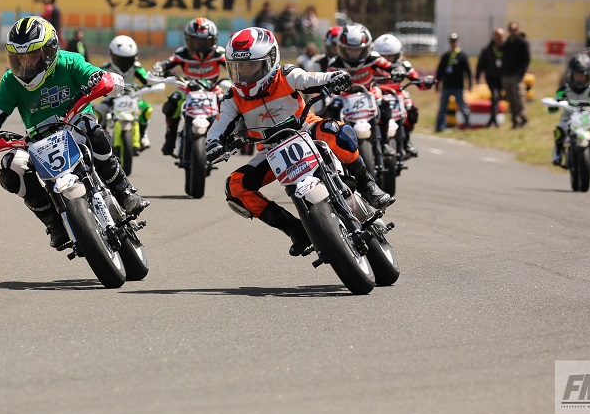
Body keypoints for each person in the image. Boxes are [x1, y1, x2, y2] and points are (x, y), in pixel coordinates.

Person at [203, 27, 393, 257]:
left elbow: (312, 79)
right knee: (235, 187)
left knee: (337, 131)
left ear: (271, 60)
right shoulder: (233, 97)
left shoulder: (287, 75)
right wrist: (213, 144)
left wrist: (334, 78)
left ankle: (366, 184)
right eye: (238, 67)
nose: (245, 72)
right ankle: (295, 230)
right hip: (271, 151)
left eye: (252, 65)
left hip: (306, 129)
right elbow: (219, 125)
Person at [0, 16, 149, 249]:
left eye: (33, 56)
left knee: (92, 130)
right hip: (39, 141)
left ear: (50, 51)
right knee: (12, 167)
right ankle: (54, 224)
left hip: (75, 123)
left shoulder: (69, 62)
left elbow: (100, 76)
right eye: (19, 58)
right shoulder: (11, 81)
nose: (25, 65)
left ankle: (124, 192)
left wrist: (101, 79)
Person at [151, 17, 227, 156]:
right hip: (187, 88)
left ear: (214, 41)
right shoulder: (182, 53)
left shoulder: (220, 53)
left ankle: (226, 139)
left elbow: (233, 65)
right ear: (188, 40)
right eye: (197, 41)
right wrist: (159, 68)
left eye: (206, 41)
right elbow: (167, 63)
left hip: (213, 89)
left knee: (228, 103)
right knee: (172, 103)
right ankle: (170, 138)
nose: (201, 45)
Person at [328, 23, 397, 169]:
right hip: (344, 96)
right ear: (342, 48)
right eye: (350, 50)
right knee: (329, 113)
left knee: (385, 106)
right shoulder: (334, 63)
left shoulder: (374, 58)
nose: (354, 54)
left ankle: (384, 142)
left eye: (358, 50)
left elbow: (391, 66)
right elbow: (327, 81)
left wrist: (398, 70)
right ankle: (334, 152)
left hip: (369, 93)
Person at [371, 33, 434, 156]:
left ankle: (407, 140)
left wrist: (424, 81)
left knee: (412, 109)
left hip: (397, 94)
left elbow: (415, 77)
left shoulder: (404, 65)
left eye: (391, 56)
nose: (387, 60)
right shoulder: (371, 65)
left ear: (398, 55)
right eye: (384, 57)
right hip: (377, 94)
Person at [549, 54, 590, 167]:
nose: (580, 78)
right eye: (577, 75)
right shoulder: (564, 89)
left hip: (588, 116)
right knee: (560, 129)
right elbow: (555, 102)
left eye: (583, 75)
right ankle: (557, 153)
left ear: (589, 76)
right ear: (571, 75)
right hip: (569, 117)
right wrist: (553, 105)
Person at [95, 35, 154, 149]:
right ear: (112, 56)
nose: (124, 63)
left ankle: (143, 135)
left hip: (132, 96)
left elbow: (146, 79)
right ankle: (98, 140)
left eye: (128, 59)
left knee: (147, 109)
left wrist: (151, 83)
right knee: (98, 112)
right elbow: (95, 79)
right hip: (112, 98)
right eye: (120, 59)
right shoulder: (106, 68)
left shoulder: (136, 67)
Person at [434, 33, 473, 132]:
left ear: (458, 42)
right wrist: (437, 84)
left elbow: (468, 71)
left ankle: (468, 125)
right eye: (451, 41)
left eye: (455, 41)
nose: (453, 43)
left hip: (458, 86)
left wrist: (470, 83)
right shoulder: (446, 56)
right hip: (447, 86)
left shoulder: (462, 56)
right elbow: (440, 71)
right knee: (442, 107)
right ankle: (439, 127)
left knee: (463, 106)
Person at [500, 21, 531, 128]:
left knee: (519, 98)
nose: (512, 32)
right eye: (511, 29)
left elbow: (526, 59)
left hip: (516, 76)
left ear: (517, 30)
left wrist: (520, 73)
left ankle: (523, 119)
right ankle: (515, 120)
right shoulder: (507, 43)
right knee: (511, 99)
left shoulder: (522, 43)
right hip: (507, 75)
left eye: (514, 29)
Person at [475, 27, 506, 128]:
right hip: (491, 78)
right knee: (495, 96)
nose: (499, 38)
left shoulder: (507, 49)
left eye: (501, 36)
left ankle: (492, 118)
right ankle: (494, 120)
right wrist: (477, 76)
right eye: (497, 36)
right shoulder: (487, 49)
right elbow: (480, 64)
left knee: (497, 99)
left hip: (503, 78)